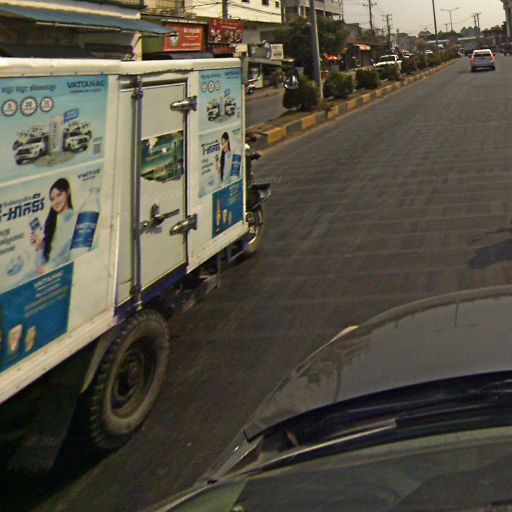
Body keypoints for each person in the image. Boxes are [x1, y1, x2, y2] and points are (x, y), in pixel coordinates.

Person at [31, 178, 77, 273]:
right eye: (52, 199)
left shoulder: (77, 218)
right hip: (48, 273)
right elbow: (39, 265)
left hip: (63, 271)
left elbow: (69, 255)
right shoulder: (50, 222)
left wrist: (46, 269)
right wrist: (40, 247)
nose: (55, 201)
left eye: (59, 195)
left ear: (68, 192)